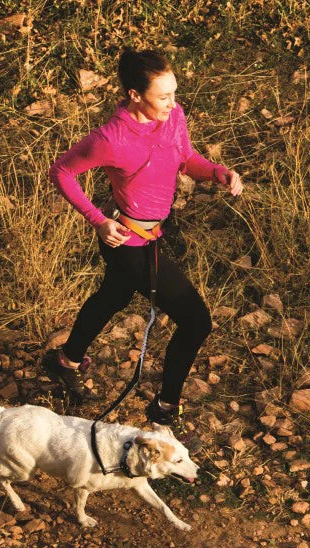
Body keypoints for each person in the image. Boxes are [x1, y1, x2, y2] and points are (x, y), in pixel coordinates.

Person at [43, 48, 243, 433]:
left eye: (174, 93)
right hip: (125, 239)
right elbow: (62, 172)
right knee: (196, 320)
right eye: (163, 96)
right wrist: (97, 221)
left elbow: (187, 159)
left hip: (151, 235)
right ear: (135, 94)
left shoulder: (173, 117)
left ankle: (65, 361)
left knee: (113, 296)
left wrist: (218, 172)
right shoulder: (110, 138)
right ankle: (165, 409)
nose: (173, 102)